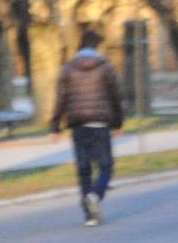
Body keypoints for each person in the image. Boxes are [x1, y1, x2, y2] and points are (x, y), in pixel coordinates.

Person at [51, 29, 125, 227]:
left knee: (84, 170)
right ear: (97, 46)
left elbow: (61, 98)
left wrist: (55, 125)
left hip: (78, 124)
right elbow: (115, 97)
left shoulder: (68, 68)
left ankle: (90, 216)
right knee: (106, 166)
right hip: (100, 124)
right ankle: (95, 195)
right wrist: (118, 123)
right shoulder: (106, 67)